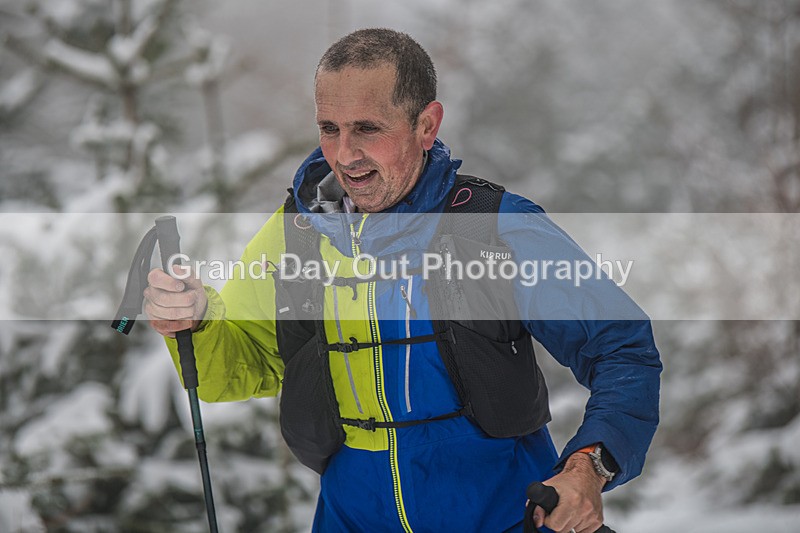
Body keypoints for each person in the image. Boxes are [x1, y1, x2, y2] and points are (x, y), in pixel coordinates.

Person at [144, 28, 661, 533]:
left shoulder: (493, 228)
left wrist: (590, 465)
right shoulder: (295, 236)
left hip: (506, 515)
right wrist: (197, 323)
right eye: (329, 128)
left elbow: (621, 349)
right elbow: (241, 365)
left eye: (368, 128)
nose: (345, 154)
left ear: (426, 125)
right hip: (351, 517)